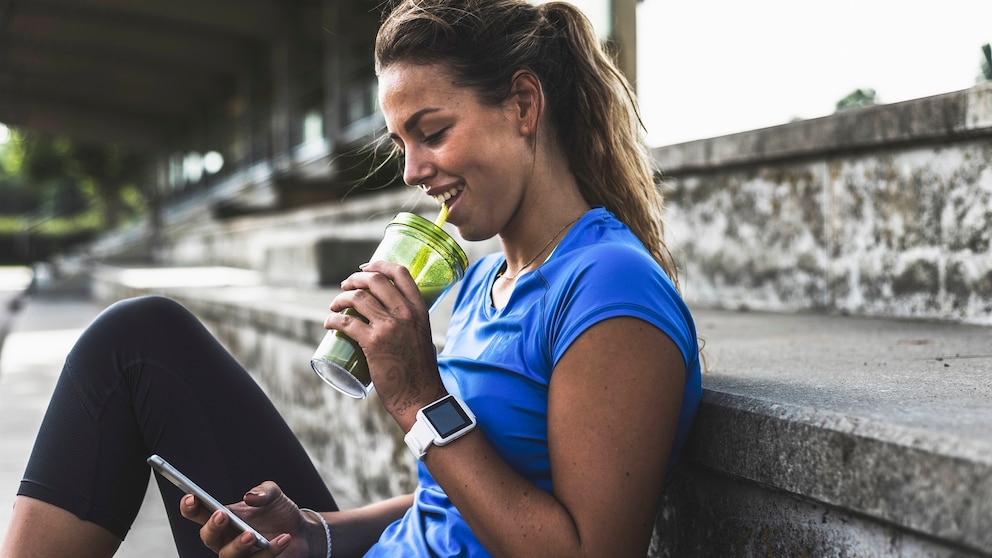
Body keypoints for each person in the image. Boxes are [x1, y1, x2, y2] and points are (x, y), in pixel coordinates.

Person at [1, 0, 702, 556]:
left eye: (432, 132)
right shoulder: (491, 278)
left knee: (138, 341)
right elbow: (452, 506)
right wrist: (316, 533)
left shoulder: (610, 290)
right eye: (400, 143)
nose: (412, 171)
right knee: (136, 341)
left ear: (524, 105)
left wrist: (417, 399)